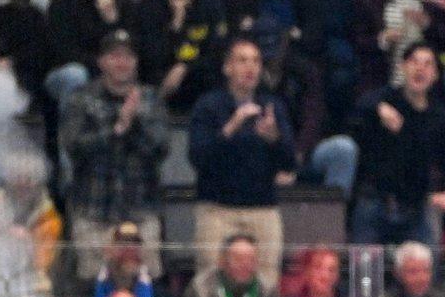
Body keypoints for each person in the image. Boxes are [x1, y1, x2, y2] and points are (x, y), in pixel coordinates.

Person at [58, 28, 169, 274]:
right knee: (93, 290)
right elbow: (73, 148)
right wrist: (116, 130)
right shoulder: (81, 98)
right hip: (93, 212)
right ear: (101, 61)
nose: (123, 62)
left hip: (142, 212)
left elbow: (161, 149)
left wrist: (134, 126)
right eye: (115, 56)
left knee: (144, 289)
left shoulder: (151, 98)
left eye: (128, 56)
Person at [186, 37, 295, 277]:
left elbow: (289, 163)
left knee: (267, 284)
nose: (251, 67)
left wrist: (274, 137)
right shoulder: (209, 106)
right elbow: (198, 158)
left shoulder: (272, 106)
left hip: (262, 208)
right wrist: (230, 128)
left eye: (256, 61)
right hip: (217, 209)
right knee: (210, 282)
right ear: (227, 68)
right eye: (243, 60)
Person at [348, 41, 445, 248]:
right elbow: (353, 110)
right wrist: (377, 108)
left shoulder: (440, 117)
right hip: (373, 203)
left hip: (414, 208)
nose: (420, 68)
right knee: (365, 277)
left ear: (436, 75)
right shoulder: (383, 99)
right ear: (403, 67)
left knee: (425, 269)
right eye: (414, 62)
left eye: (427, 64)